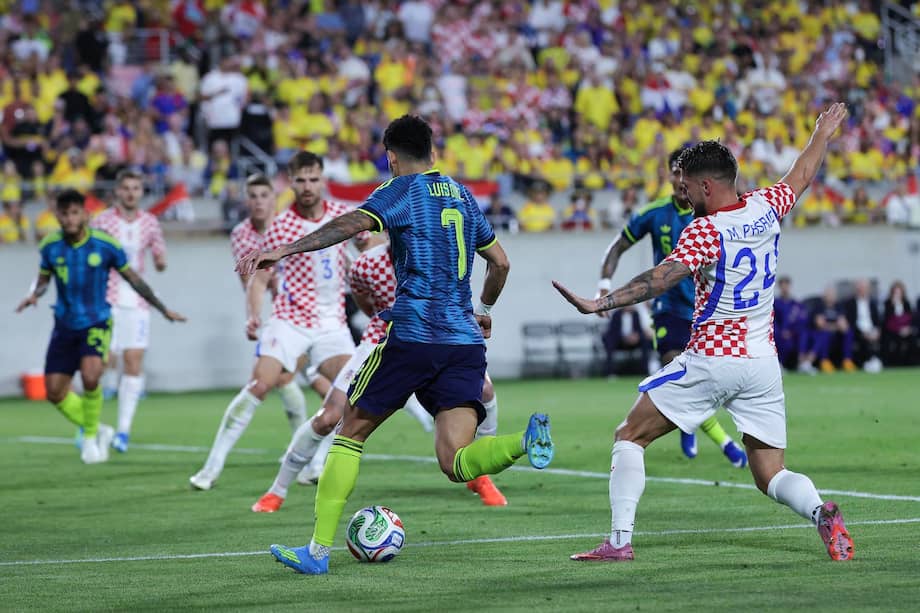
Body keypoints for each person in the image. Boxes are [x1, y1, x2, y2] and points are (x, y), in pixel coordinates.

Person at [237, 115, 554, 575]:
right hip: (464, 343)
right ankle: (524, 441)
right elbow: (500, 262)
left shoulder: (401, 191)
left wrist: (285, 250)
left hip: (413, 335)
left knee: (351, 430)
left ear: (390, 156)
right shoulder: (464, 195)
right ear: (434, 150)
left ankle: (318, 554)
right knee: (456, 460)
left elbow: (348, 224)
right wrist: (484, 308)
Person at [553, 103, 854, 563]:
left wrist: (603, 301)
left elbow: (662, 277)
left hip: (714, 356)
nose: (682, 192)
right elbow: (802, 172)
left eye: (687, 186)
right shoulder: (766, 207)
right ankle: (820, 512)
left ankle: (618, 541)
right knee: (771, 473)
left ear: (707, 186)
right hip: (762, 365)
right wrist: (821, 133)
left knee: (629, 435)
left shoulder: (704, 230)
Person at [251, 231, 507, 514]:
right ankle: (277, 490)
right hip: (382, 340)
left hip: (436, 339)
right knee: (330, 417)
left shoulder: (437, 256)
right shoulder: (366, 265)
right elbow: (365, 303)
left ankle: (481, 477)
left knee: (484, 390)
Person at [189, 152, 356, 491]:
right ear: (290, 182)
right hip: (290, 320)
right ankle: (211, 467)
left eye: (313, 179)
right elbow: (261, 280)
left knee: (351, 396)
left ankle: (317, 463)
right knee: (260, 384)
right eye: (300, 180)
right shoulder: (281, 226)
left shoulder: (342, 216)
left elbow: (373, 246)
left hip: (332, 324)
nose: (307, 186)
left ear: (323, 180)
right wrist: (253, 316)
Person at [597, 148, 747, 467]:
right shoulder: (654, 214)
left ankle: (689, 422)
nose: (681, 180)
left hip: (708, 309)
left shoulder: (715, 212)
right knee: (674, 364)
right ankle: (726, 444)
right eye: (676, 173)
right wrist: (605, 286)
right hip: (669, 307)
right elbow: (617, 247)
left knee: (704, 379)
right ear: (669, 175)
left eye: (686, 174)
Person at [15, 189, 185, 464]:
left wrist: (162, 308)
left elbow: (134, 279)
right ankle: (100, 428)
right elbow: (44, 278)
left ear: (85, 214)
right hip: (64, 325)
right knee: (54, 392)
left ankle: (91, 438)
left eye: (75, 213)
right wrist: (34, 293)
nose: (70, 219)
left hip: (96, 322)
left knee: (91, 376)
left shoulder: (105, 245)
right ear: (57, 215)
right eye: (64, 213)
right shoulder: (50, 246)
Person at [230, 173, 332, 446]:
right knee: (301, 378)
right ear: (246, 201)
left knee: (299, 378)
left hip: (312, 313)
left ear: (275, 199)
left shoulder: (290, 225)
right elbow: (250, 282)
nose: (259, 202)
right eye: (253, 196)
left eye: (265, 195)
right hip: (282, 316)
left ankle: (313, 445)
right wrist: (253, 316)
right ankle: (311, 444)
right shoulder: (240, 235)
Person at [90, 170, 168, 452]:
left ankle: (123, 431)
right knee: (96, 365)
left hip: (137, 302)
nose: (131, 192)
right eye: (126, 188)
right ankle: (90, 425)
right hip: (106, 299)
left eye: (136, 188)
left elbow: (160, 255)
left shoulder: (150, 222)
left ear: (141, 191)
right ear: (118, 191)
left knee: (134, 362)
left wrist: (160, 259)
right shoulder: (102, 221)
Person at [841, 279, 883, 372]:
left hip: (872, 329)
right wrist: (863, 332)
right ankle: (867, 361)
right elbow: (851, 321)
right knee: (861, 338)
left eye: (864, 288)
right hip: (857, 330)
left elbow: (877, 320)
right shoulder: (850, 303)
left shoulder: (873, 303)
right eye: (860, 288)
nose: (862, 290)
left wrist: (877, 331)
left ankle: (877, 360)